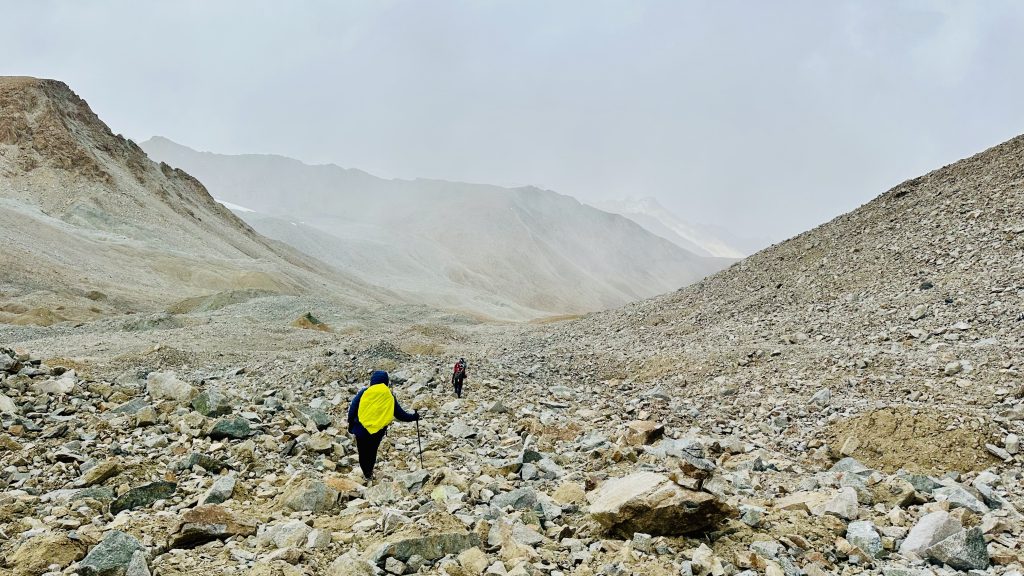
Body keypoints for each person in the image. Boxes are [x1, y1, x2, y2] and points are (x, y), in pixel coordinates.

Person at [347, 370, 419, 481]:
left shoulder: (364, 392)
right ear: (386, 381)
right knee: (372, 451)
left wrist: (351, 424)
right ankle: (369, 473)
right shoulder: (389, 395)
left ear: (372, 381)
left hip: (361, 428)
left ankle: (365, 472)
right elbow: (400, 414)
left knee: (362, 451)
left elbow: (353, 409)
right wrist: (413, 417)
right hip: (377, 431)